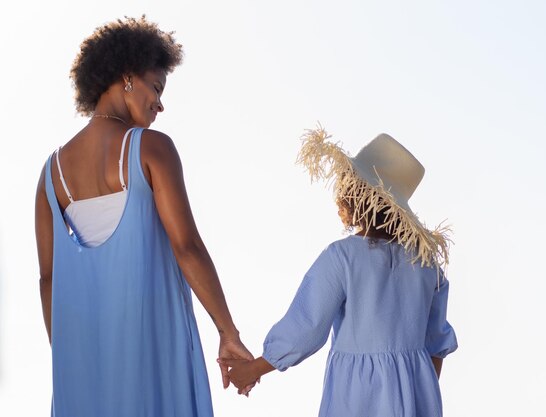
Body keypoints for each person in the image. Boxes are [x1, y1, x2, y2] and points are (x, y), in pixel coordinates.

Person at [34, 16, 252, 417]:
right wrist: (227, 331)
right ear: (128, 77)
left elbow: (49, 280)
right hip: (153, 350)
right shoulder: (152, 149)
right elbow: (186, 247)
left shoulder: (51, 175)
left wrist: (70, 360)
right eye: (157, 87)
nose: (160, 103)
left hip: (84, 369)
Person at [219, 126, 458, 416]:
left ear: (359, 193)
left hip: (359, 396)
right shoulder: (427, 264)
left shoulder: (342, 257)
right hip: (419, 397)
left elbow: (306, 327)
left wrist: (253, 369)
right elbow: (436, 346)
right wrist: (416, 392)